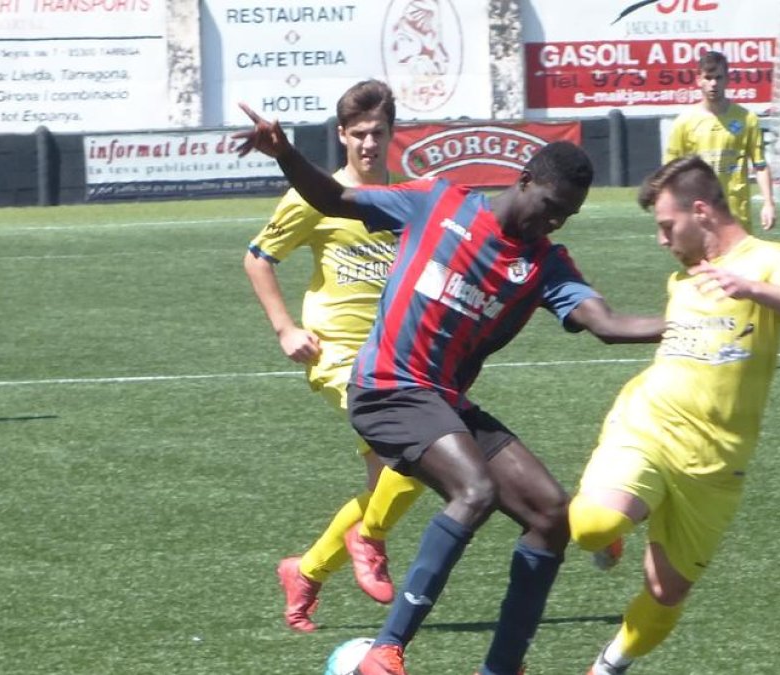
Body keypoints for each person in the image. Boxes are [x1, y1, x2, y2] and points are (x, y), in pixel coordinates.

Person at [235, 105, 666, 675]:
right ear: (525, 181)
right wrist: (285, 152)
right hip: (386, 387)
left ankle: (501, 667)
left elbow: (606, 324)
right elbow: (335, 201)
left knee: (552, 515)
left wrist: (691, 322)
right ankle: (387, 650)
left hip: (443, 402)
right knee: (475, 490)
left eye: (567, 216)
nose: (554, 223)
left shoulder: (545, 265)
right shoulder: (438, 203)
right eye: (550, 207)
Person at [570, 156, 780, 674]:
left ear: (701, 212)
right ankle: (618, 523)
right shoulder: (681, 279)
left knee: (665, 595)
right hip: (649, 426)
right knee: (590, 526)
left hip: (716, 464)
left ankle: (609, 664)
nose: (662, 240)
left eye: (667, 226)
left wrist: (753, 289)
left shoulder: (770, 259)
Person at [243, 80, 427, 632]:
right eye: (359, 135)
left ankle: (307, 570)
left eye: (379, 134)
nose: (369, 145)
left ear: (392, 135)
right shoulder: (315, 195)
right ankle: (367, 541)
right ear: (342, 136)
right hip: (338, 354)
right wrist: (284, 329)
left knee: (389, 482)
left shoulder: (407, 199)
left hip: (396, 357)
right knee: (416, 457)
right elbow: (258, 258)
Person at [664, 50, 776, 233]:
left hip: (737, 213)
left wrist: (769, 204)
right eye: (708, 77)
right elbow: (670, 171)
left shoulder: (746, 119)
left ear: (727, 79)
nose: (713, 83)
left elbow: (760, 165)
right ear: (698, 79)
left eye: (718, 77)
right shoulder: (684, 122)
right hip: (700, 215)